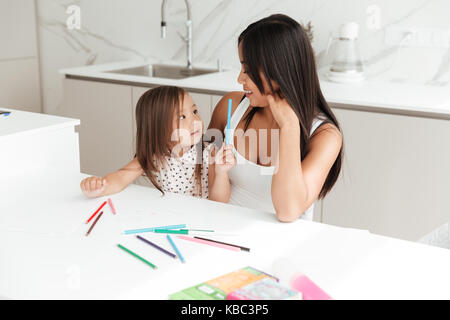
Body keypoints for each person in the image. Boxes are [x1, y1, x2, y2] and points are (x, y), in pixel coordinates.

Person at [207, 14, 343, 222]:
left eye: (248, 70)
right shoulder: (231, 107)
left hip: (280, 247)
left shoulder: (325, 136)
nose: (239, 78)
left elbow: (288, 211)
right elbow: (204, 182)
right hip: (222, 232)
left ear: (280, 71)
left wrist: (289, 126)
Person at [80, 86, 235, 201]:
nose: (195, 121)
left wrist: (222, 173)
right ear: (158, 127)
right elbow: (120, 178)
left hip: (201, 223)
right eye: (182, 117)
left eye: (194, 112)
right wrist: (99, 186)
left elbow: (219, 202)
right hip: (169, 221)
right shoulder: (153, 158)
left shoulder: (209, 152)